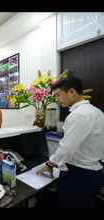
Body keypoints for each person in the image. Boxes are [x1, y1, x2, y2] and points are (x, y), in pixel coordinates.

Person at [36, 75, 104, 208]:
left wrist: (50, 164)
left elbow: (66, 147)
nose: (56, 100)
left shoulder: (78, 115)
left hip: (79, 175)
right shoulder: (97, 112)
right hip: (95, 172)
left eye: (58, 95)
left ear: (72, 92)